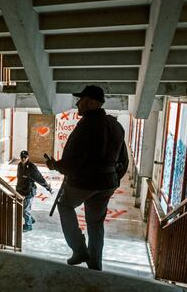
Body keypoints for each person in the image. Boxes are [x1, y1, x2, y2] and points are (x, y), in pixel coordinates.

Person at [46, 85, 129, 271]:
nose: (77, 104)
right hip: (107, 184)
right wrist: (112, 180)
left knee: (65, 205)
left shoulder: (85, 126)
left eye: (81, 100)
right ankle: (95, 266)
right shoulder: (116, 125)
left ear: (91, 102)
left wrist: (55, 166)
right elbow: (124, 160)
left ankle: (79, 249)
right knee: (95, 223)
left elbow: (70, 163)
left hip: (84, 183)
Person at [16, 150, 53, 232]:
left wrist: (48, 188)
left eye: (25, 157)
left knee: (26, 210)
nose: (23, 159)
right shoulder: (19, 165)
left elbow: (40, 179)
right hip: (21, 190)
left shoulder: (32, 167)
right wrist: (17, 189)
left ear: (28, 157)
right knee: (22, 209)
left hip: (29, 191)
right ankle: (30, 220)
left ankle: (28, 226)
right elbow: (19, 178)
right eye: (22, 157)